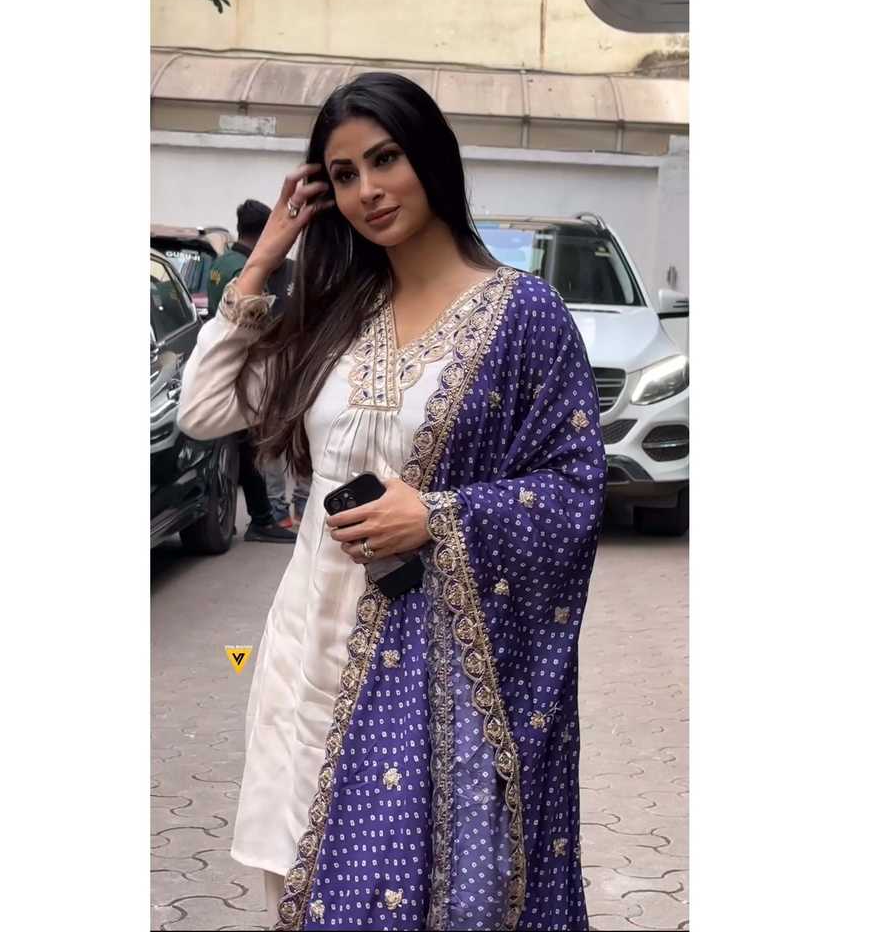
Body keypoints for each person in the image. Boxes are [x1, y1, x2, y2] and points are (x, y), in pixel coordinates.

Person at [178, 72, 606, 930]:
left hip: (429, 668)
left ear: (431, 158)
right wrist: (265, 259)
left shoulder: (524, 315)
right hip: (306, 649)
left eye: (385, 159)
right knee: (297, 887)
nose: (368, 190)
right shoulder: (338, 311)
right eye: (343, 175)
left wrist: (438, 518)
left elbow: (575, 488)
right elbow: (205, 407)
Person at [206, 200, 297, 544]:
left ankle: (238, 518)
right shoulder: (246, 272)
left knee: (234, 450)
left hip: (224, 366)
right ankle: (262, 519)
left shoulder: (221, 262)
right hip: (243, 367)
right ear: (262, 233)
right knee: (254, 446)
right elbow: (256, 325)